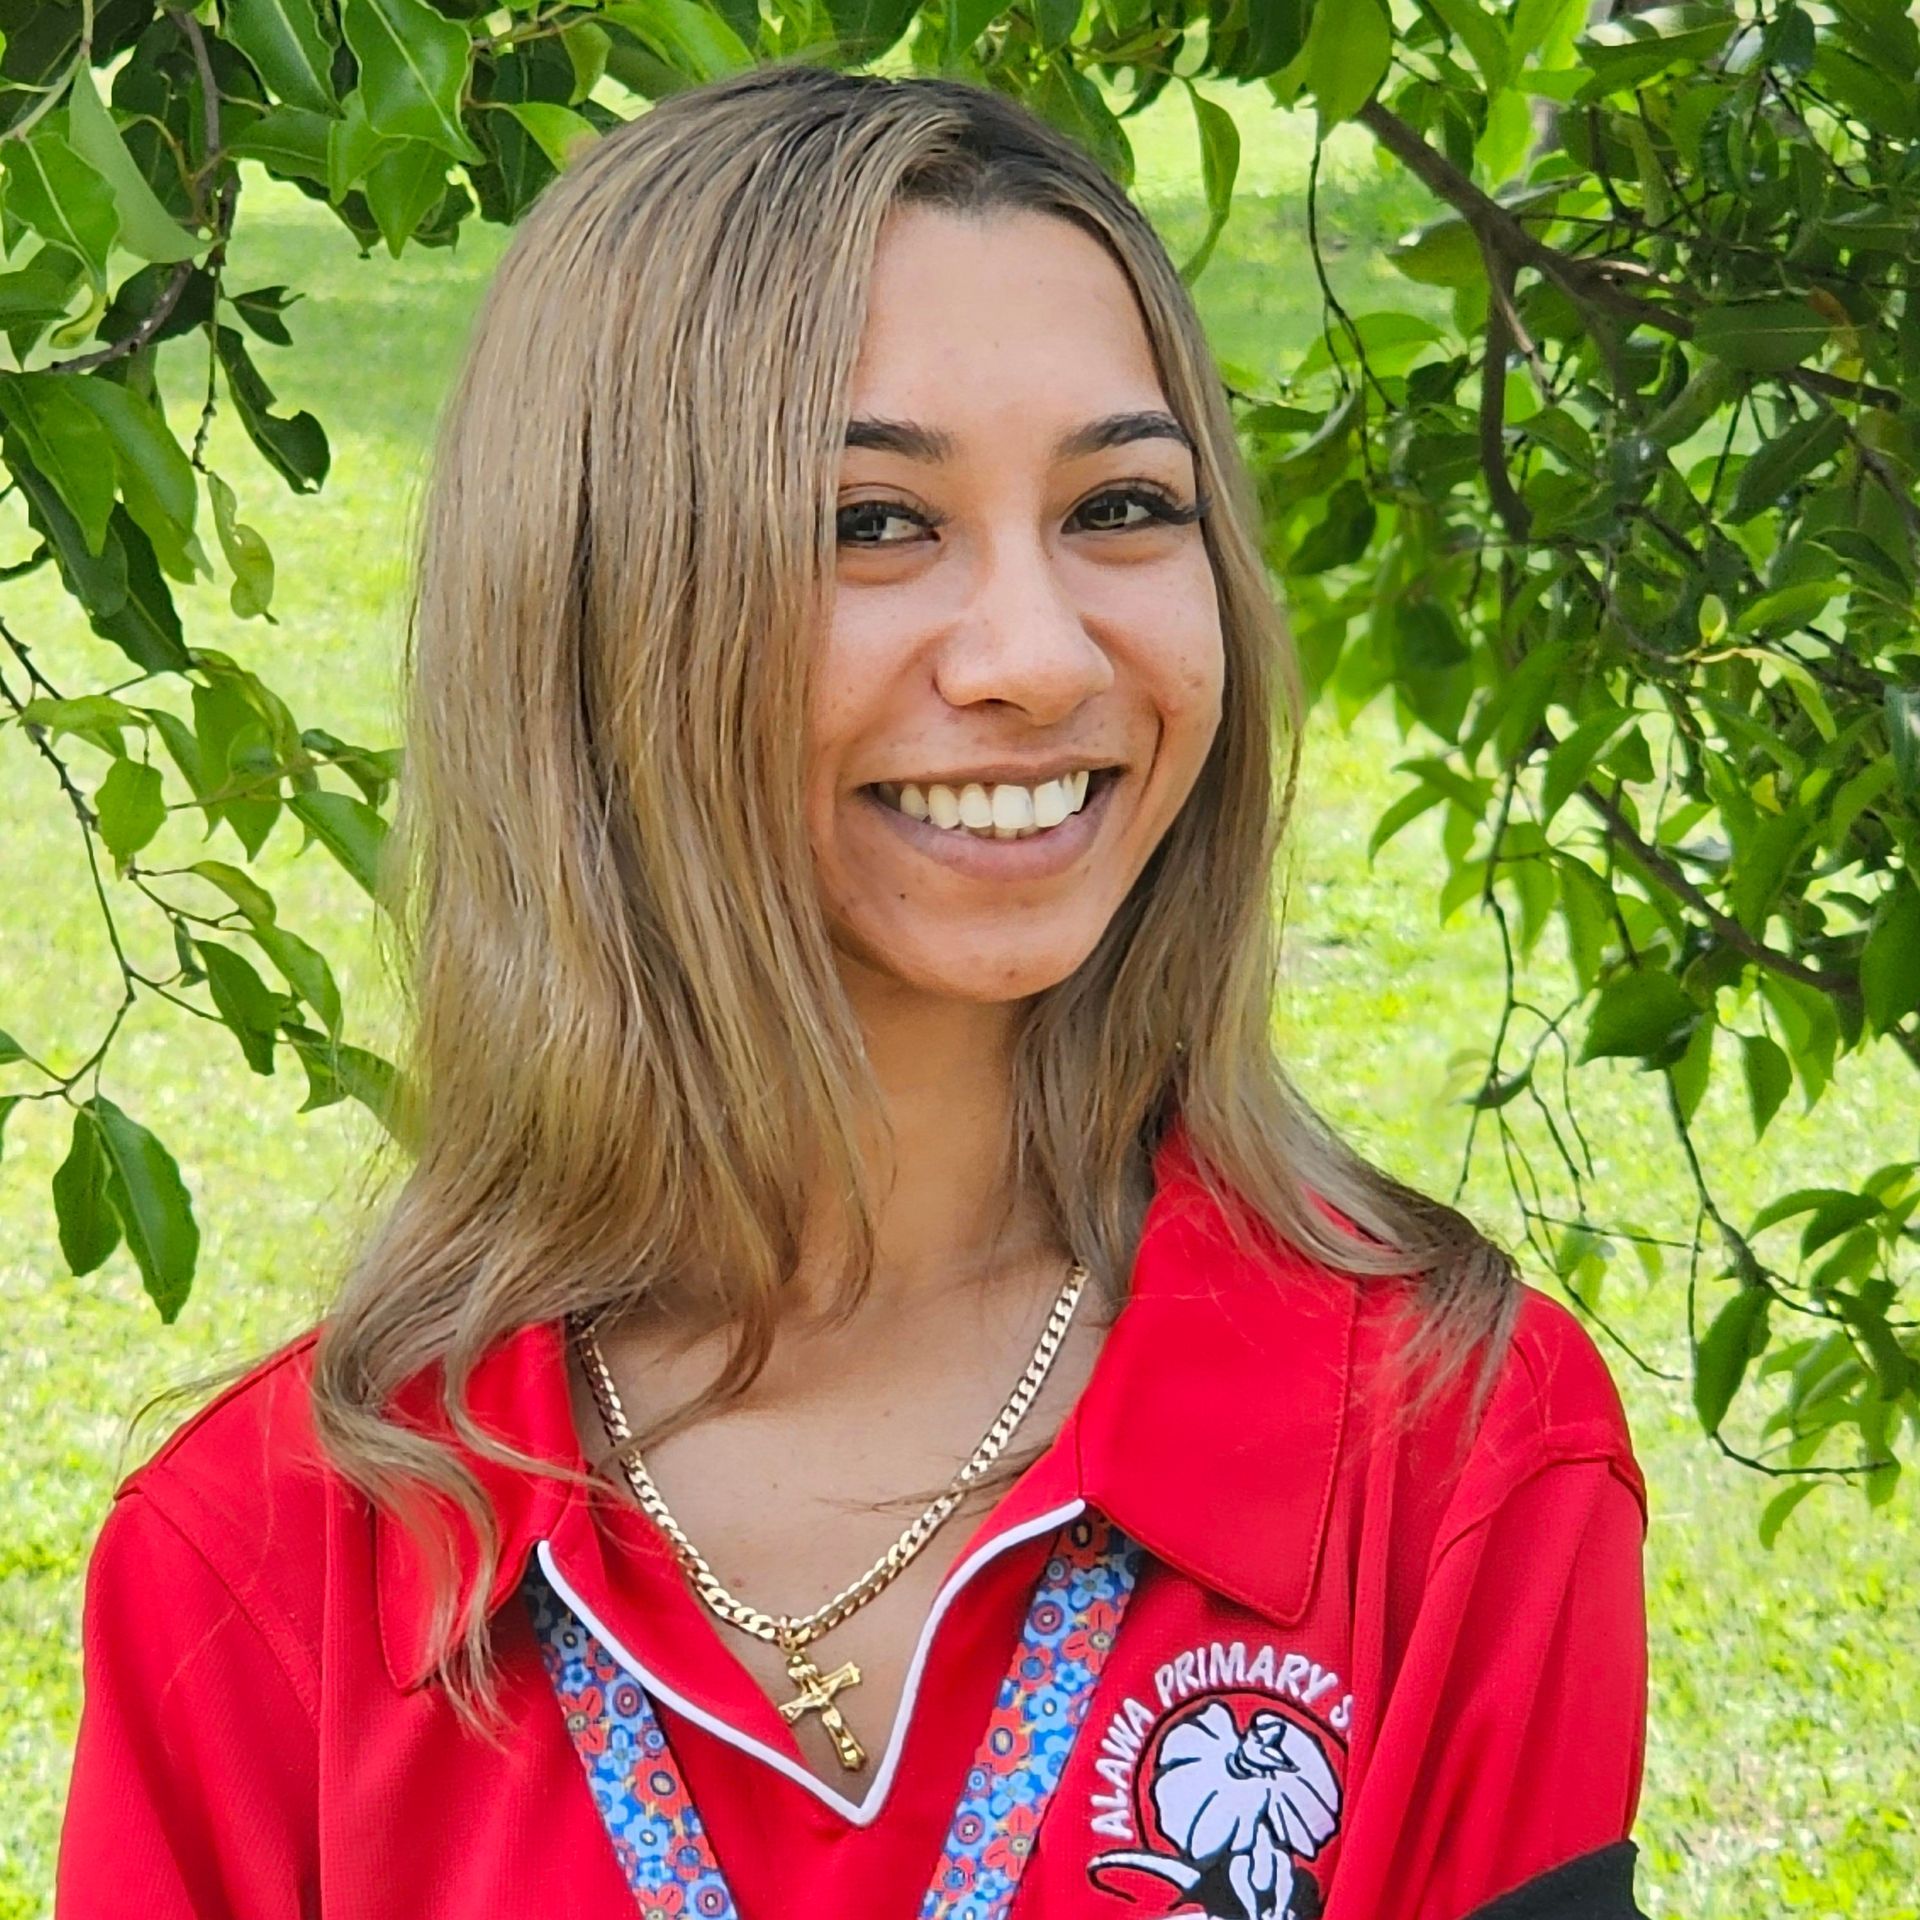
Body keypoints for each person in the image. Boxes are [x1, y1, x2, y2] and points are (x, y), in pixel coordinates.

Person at [55, 62, 1648, 1920]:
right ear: (595, 618)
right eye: (872, 524)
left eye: (1123, 505)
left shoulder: (1449, 1446)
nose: (1039, 658)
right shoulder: (267, 1565)